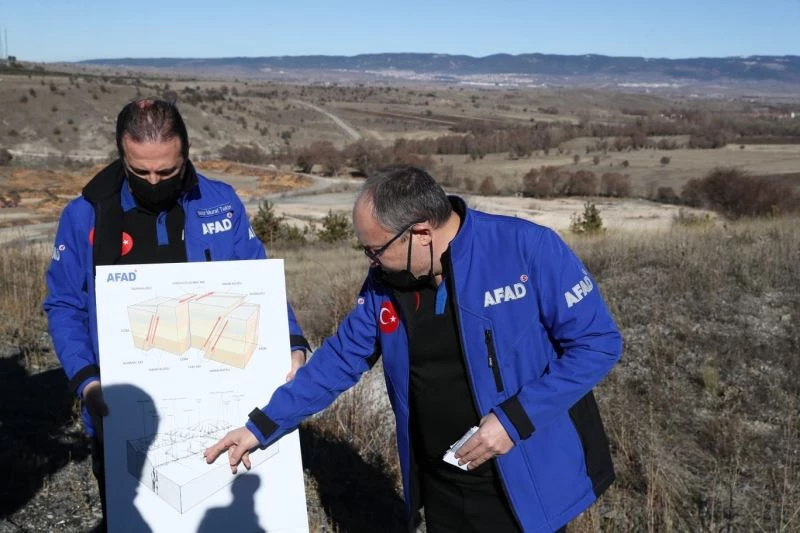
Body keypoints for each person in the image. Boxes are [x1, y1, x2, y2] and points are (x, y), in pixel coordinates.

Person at [204, 165, 622, 532]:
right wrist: (262, 426)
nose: (370, 262)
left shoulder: (527, 249)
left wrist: (513, 421)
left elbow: (597, 344)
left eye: (375, 249)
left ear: (421, 232)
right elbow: (340, 359)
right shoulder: (387, 283)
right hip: (441, 485)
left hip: (524, 477)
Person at [43, 98, 310, 531]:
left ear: (186, 153)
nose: (153, 181)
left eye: (166, 171)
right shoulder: (85, 215)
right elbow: (64, 305)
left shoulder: (220, 203)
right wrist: (87, 381)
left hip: (221, 406)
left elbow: (258, 284)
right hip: (121, 415)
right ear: (121, 156)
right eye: (140, 172)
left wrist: (292, 343)